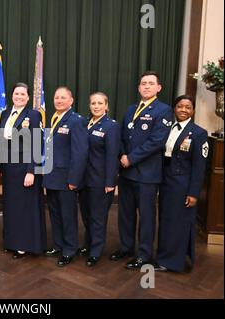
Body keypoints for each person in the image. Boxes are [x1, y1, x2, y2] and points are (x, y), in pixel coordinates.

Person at [110, 71, 173, 269]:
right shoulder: (131, 109)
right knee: (125, 214)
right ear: (138, 87)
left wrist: (131, 158)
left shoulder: (163, 110)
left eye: (150, 83)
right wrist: (121, 155)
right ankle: (126, 248)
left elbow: (157, 141)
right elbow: (121, 135)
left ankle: (144, 255)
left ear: (158, 88)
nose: (146, 86)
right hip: (126, 172)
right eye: (143, 83)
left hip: (147, 174)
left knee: (146, 217)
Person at [154, 95, 208, 272]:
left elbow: (200, 167)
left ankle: (172, 262)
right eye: (180, 106)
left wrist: (193, 193)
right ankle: (164, 257)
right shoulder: (167, 128)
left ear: (193, 110)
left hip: (183, 185)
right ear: (174, 108)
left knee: (179, 223)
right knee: (166, 221)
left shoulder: (199, 133)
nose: (183, 110)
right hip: (166, 182)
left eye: (187, 107)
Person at [43, 87, 89, 267]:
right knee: (54, 213)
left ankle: (69, 249)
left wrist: (74, 179)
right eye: (56, 97)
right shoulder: (53, 118)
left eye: (63, 98)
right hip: (51, 176)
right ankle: (58, 244)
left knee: (68, 215)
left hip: (66, 178)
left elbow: (80, 153)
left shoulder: (76, 121)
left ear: (71, 100)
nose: (59, 100)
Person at [0, 83, 46, 258]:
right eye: (16, 93)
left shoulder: (33, 115)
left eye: (23, 94)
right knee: (12, 207)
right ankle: (11, 242)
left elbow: (37, 143)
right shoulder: (5, 114)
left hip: (25, 169)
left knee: (26, 208)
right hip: (9, 169)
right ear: (12, 96)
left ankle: (24, 244)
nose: (19, 97)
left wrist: (31, 171)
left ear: (28, 98)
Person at [78, 92, 120, 267]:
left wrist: (110, 182)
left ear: (106, 106)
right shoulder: (84, 123)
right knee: (86, 215)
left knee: (98, 217)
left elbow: (112, 156)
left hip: (100, 181)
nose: (96, 106)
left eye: (100, 103)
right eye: (93, 103)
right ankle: (88, 244)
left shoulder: (111, 126)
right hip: (84, 179)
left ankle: (96, 251)